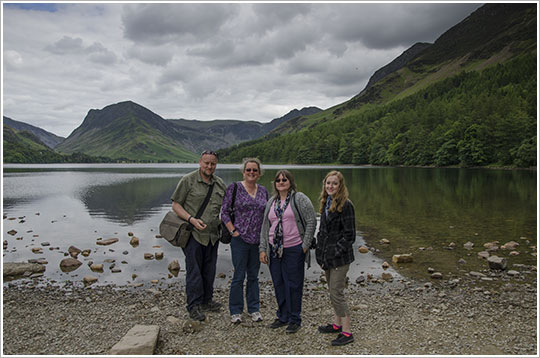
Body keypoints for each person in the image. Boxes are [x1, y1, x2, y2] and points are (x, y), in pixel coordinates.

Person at [170, 150, 226, 321]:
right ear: (200, 162)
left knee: (209, 270)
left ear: (216, 164)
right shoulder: (188, 180)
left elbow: (226, 207)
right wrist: (191, 219)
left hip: (212, 235)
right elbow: (176, 205)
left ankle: (207, 301)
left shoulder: (220, 183)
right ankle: (193, 306)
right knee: (194, 271)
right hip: (193, 234)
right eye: (206, 163)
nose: (209, 166)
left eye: (213, 164)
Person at [259, 170, 316, 334]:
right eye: (278, 180)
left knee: (294, 285)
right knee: (278, 283)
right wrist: (263, 248)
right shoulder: (272, 201)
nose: (281, 182)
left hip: (294, 248)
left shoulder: (300, 199)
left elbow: (311, 221)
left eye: (284, 179)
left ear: (290, 181)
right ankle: (282, 316)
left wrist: (304, 246)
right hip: (274, 249)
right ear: (275, 183)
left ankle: (294, 319)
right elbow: (265, 226)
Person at [221, 158, 268, 324]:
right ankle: (235, 311)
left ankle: (254, 309)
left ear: (259, 173)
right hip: (239, 239)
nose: (251, 173)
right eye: (248, 170)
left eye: (255, 170)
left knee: (254, 276)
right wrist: (233, 231)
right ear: (243, 171)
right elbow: (224, 212)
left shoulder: (263, 191)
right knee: (239, 276)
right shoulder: (234, 188)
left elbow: (267, 215)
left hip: (257, 241)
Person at [315, 170, 356, 346]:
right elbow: (324, 231)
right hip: (327, 257)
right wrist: (319, 250)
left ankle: (347, 333)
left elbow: (350, 236)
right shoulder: (326, 202)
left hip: (339, 259)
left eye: (334, 183)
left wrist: (334, 252)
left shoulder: (346, 205)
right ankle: (336, 325)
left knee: (337, 293)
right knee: (332, 293)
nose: (330, 186)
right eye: (328, 183)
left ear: (340, 186)